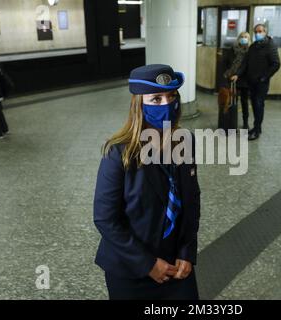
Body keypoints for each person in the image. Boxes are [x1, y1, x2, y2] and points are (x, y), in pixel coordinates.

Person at [93, 64, 201, 300]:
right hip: (131, 269)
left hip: (176, 266)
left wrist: (186, 251)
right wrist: (148, 264)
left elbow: (191, 202)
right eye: (156, 99)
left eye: (171, 96)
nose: (166, 104)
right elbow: (105, 218)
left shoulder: (185, 141)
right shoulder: (118, 153)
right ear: (138, 105)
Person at [231, 24, 281, 141]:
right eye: (256, 32)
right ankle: (256, 127)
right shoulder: (253, 46)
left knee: (258, 105)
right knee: (254, 105)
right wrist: (237, 74)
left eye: (260, 31)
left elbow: (276, 64)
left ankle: (257, 130)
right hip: (251, 82)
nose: (258, 33)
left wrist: (264, 77)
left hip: (261, 83)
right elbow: (245, 63)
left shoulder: (270, 45)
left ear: (265, 32)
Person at [223, 32, 251, 129]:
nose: (244, 38)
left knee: (244, 102)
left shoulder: (250, 51)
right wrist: (229, 74)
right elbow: (226, 62)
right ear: (239, 38)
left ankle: (245, 122)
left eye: (246, 37)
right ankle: (231, 122)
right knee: (231, 101)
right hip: (232, 79)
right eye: (242, 37)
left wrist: (238, 74)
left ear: (249, 39)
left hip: (244, 80)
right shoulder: (232, 49)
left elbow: (249, 66)